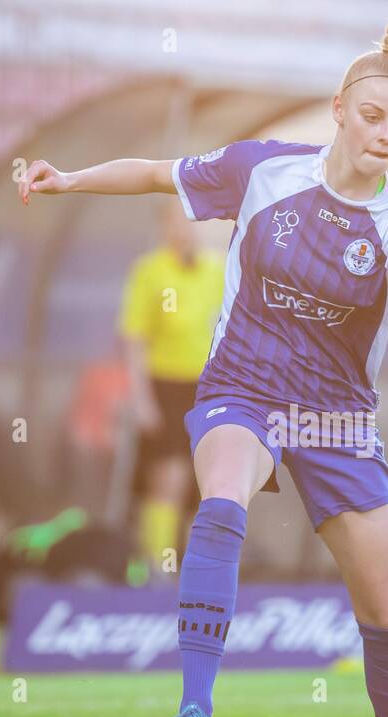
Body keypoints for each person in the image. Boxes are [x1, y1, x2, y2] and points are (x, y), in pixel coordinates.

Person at [20, 20, 388, 717]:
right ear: (340, 111)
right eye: (374, 116)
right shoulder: (262, 170)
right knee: (220, 498)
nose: (387, 134)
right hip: (241, 391)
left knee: (385, 611)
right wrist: (67, 179)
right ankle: (193, 711)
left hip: (338, 421)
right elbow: (157, 172)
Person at [119, 201, 223, 573]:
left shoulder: (217, 270)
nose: (187, 228)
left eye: (193, 221)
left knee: (204, 483)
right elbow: (134, 339)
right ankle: (157, 570)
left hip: (207, 388)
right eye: (178, 220)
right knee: (167, 479)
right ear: (165, 226)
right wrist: (142, 399)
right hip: (165, 386)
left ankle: (197, 569)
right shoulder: (149, 272)